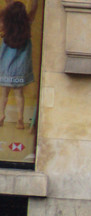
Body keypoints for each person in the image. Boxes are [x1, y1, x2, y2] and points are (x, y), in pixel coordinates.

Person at [0, 0, 37, 129]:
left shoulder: (5, 25)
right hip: (20, 68)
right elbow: (33, 10)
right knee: (19, 94)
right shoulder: (26, 24)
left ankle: (1, 116)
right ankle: (20, 119)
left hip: (6, 67)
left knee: (4, 94)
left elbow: (5, 10)